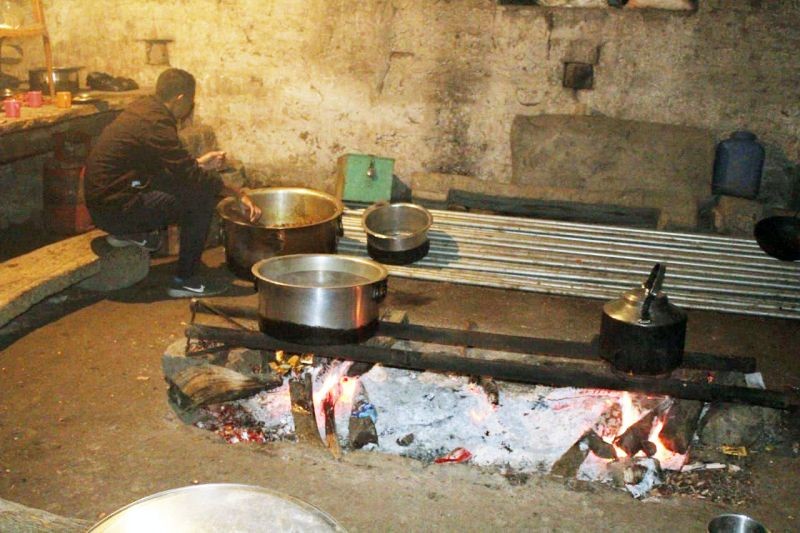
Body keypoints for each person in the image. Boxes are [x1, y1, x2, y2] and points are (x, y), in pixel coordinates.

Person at [85, 68, 261, 298]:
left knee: (182, 185)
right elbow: (187, 175)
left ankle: (131, 234)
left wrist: (198, 164)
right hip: (113, 209)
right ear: (180, 99)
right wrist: (237, 193)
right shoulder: (157, 123)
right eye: (191, 101)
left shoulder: (144, 109)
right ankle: (185, 280)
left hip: (107, 200)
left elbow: (169, 167)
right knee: (201, 199)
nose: (191, 106)